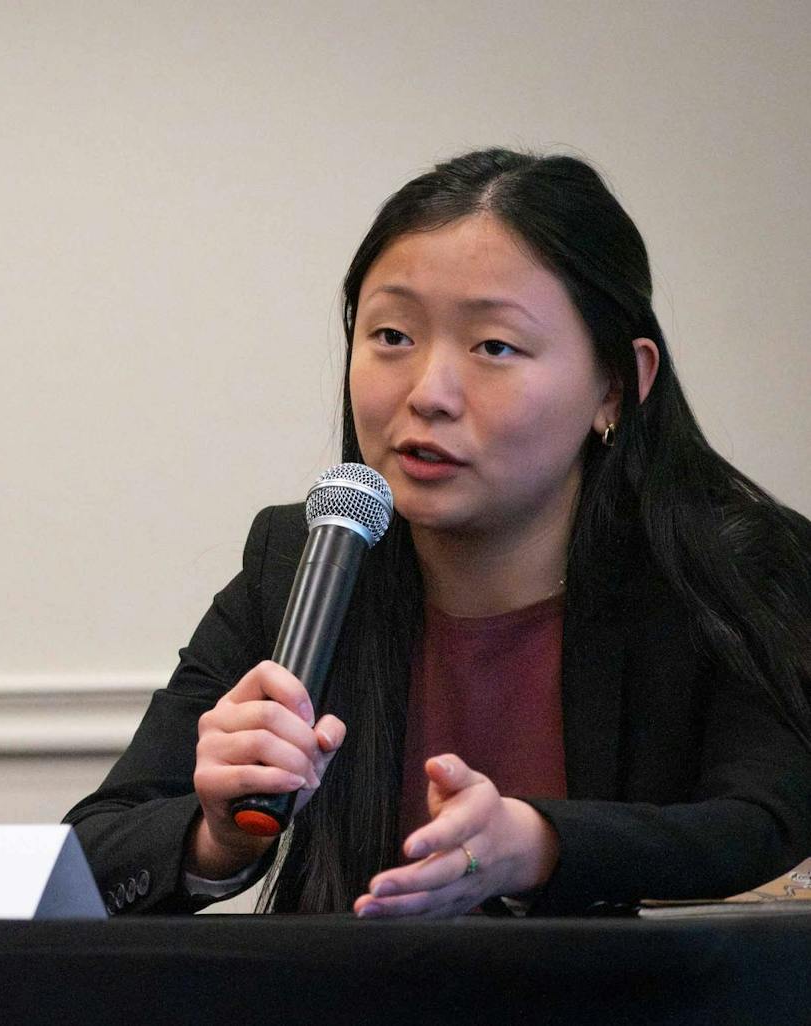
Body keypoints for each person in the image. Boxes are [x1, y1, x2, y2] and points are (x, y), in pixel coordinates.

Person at [64, 149, 811, 917]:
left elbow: (763, 825)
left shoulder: (739, 570)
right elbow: (91, 848)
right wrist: (217, 837)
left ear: (618, 383)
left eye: (494, 347)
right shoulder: (298, 564)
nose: (429, 394)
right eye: (392, 336)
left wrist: (539, 844)